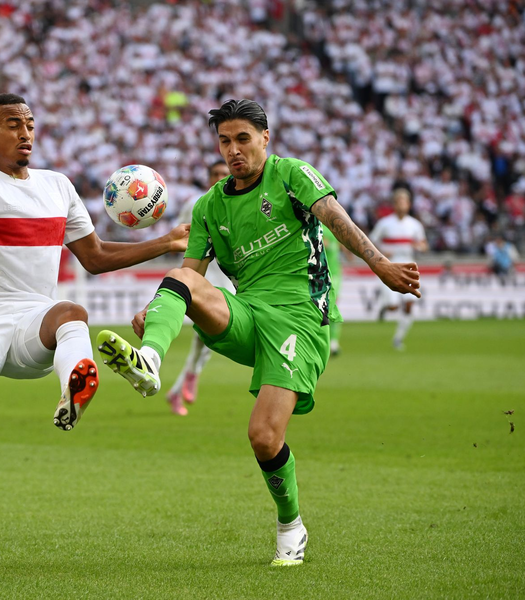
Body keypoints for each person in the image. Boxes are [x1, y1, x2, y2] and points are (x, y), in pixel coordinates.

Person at [95, 99, 420, 566]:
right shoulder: (209, 206)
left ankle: (291, 524)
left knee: (264, 437)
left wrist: (380, 263)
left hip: (300, 320)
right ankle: (149, 360)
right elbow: (191, 272)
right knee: (184, 283)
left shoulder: (291, 175)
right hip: (248, 313)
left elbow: (334, 218)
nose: (233, 150)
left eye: (242, 139)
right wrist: (157, 307)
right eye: (224, 141)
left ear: (265, 138)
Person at [0, 93, 189, 566]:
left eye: (29, 123)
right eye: (13, 125)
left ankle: (76, 383)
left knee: (70, 310)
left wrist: (166, 243)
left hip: (32, 318)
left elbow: (94, 257)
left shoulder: (58, 187)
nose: (25, 133)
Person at [166, 160, 234, 415]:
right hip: (202, 276)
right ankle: (189, 377)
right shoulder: (196, 205)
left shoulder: (240, 204)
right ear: (208, 179)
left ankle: (178, 389)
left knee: (212, 337)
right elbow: (180, 236)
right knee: (205, 333)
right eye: (215, 174)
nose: (219, 178)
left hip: (227, 279)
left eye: (223, 174)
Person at [370, 188, 428, 350]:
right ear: (394, 204)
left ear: (409, 205)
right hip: (389, 266)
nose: (402, 205)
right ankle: (384, 307)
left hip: (409, 266)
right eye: (399, 202)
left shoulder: (415, 225)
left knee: (409, 305)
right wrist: (381, 251)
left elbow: (424, 244)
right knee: (394, 306)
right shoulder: (385, 223)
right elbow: (371, 241)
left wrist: (419, 246)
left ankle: (398, 339)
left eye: (405, 202)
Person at [322, 227, 344, 356]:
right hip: (324, 274)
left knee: (332, 307)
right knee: (326, 309)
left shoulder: (332, 227)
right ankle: (329, 342)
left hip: (335, 273)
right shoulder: (320, 226)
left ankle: (334, 342)